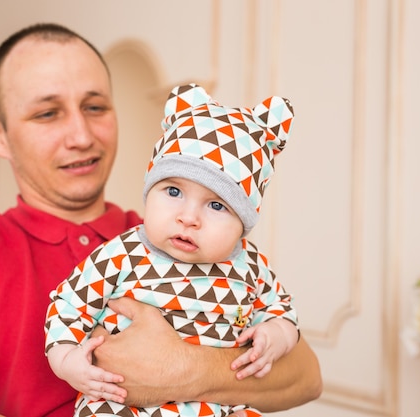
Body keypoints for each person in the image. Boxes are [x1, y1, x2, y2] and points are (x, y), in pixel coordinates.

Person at [0, 22, 322, 417]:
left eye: (95, 107)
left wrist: (183, 367)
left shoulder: (185, 241)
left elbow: (305, 378)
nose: (82, 136)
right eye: (47, 113)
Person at [45, 83, 300, 417]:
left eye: (216, 205)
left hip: (215, 406)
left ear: (244, 222)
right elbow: (69, 305)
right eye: (173, 192)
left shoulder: (250, 266)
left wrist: (275, 335)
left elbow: (282, 312)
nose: (188, 218)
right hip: (122, 402)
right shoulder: (123, 254)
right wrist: (67, 361)